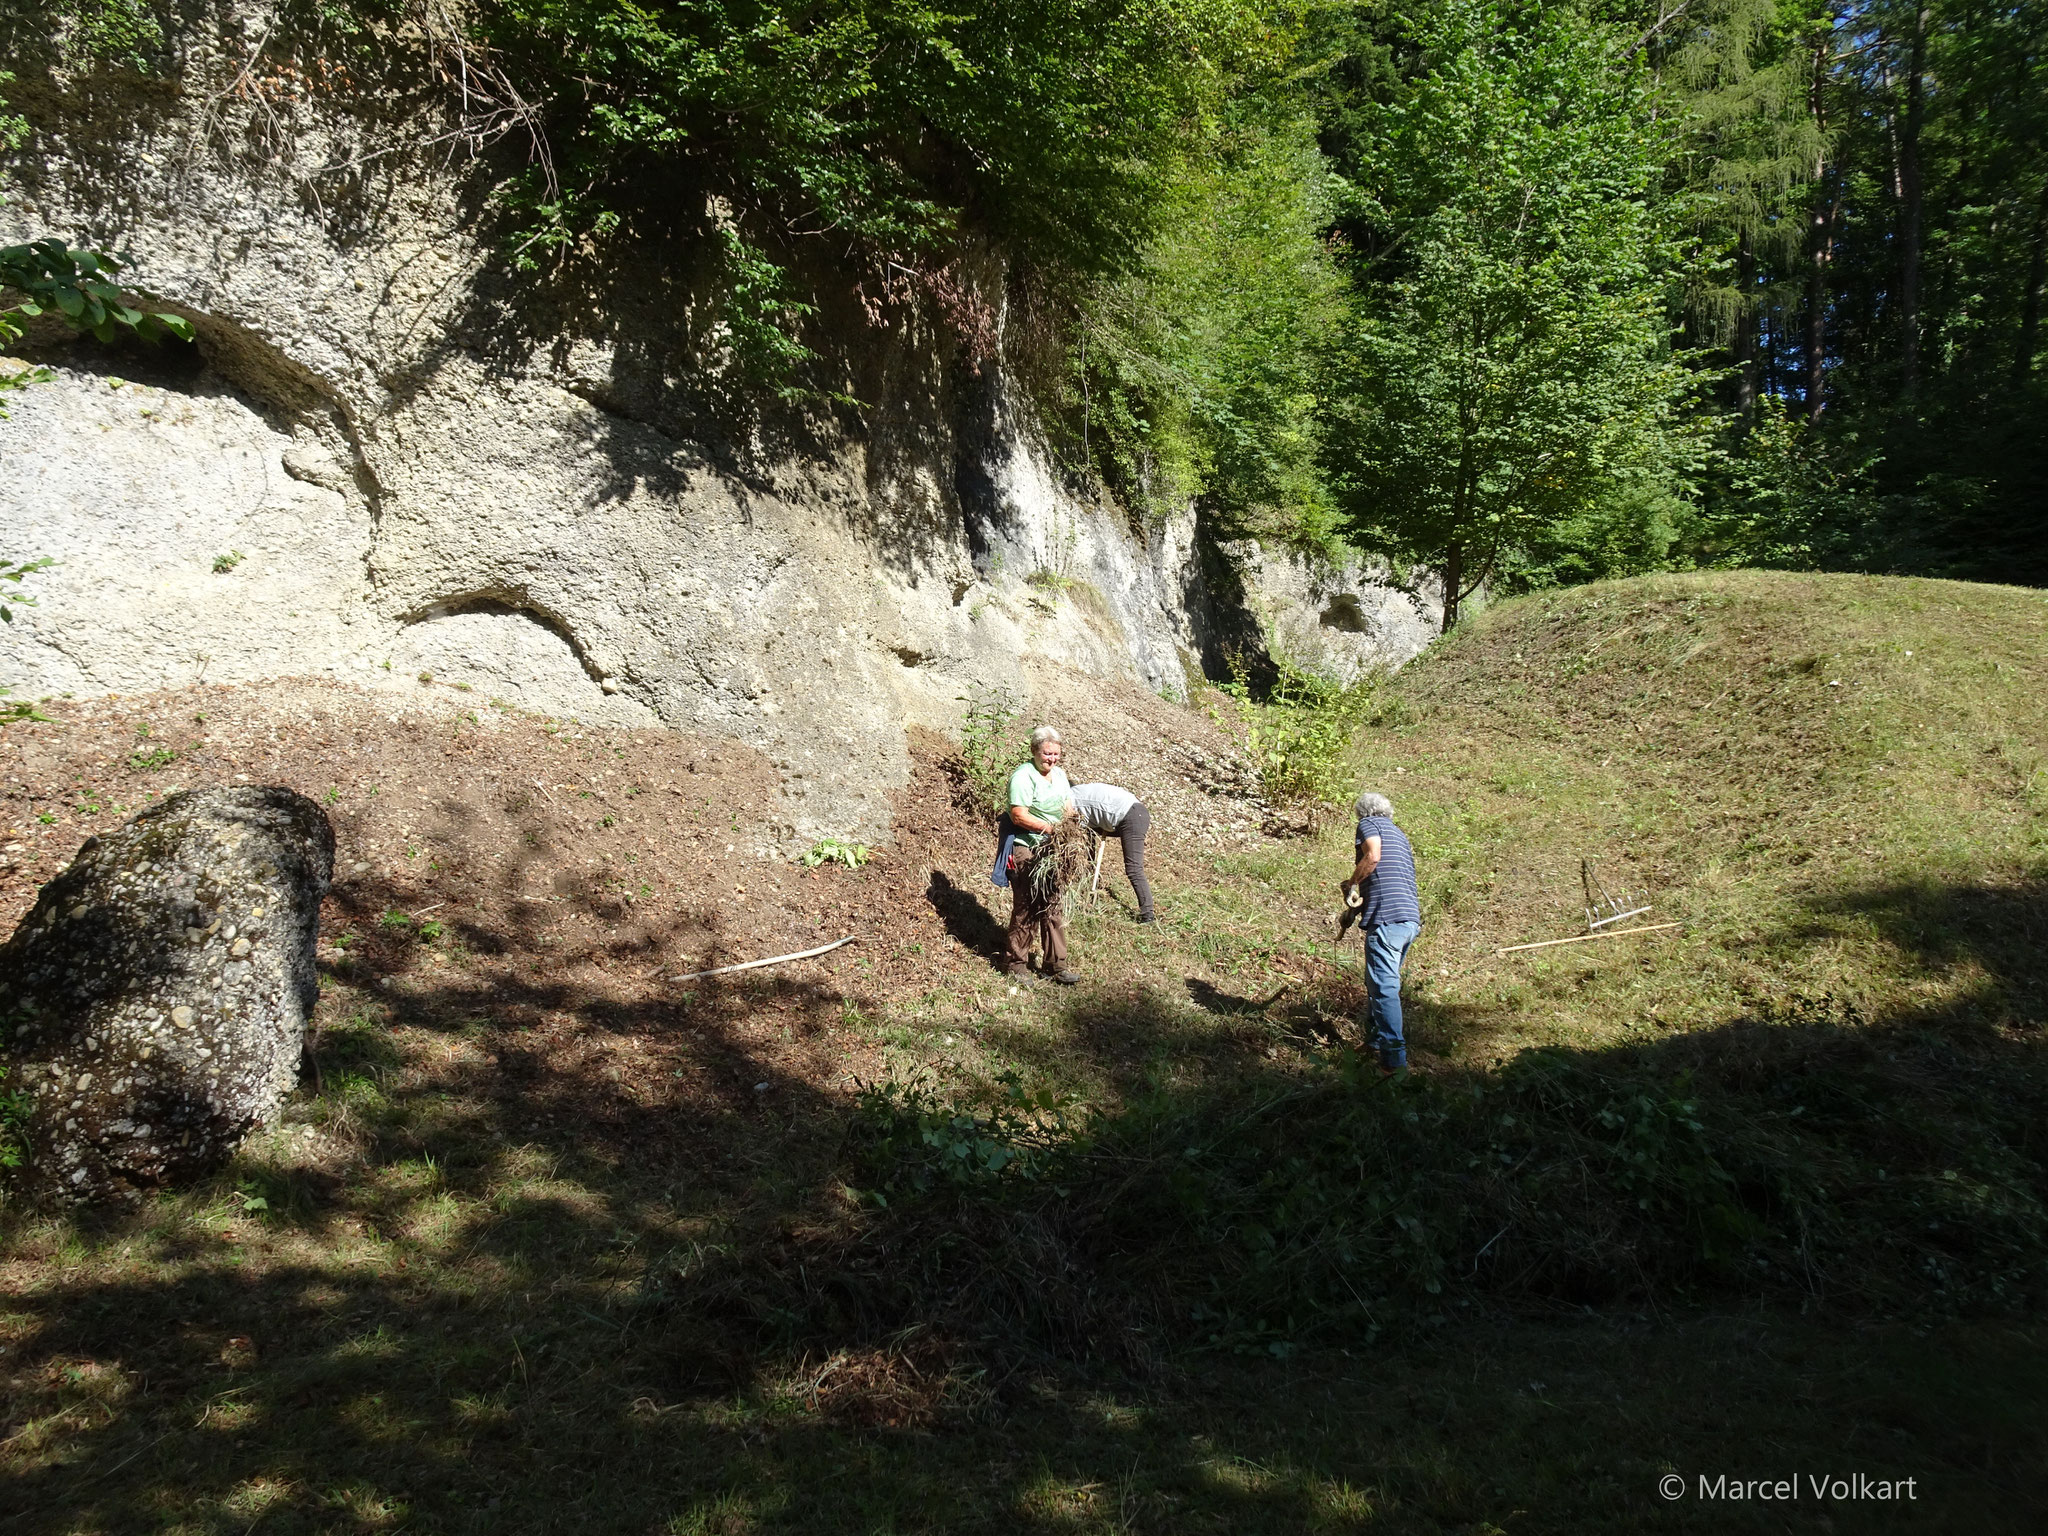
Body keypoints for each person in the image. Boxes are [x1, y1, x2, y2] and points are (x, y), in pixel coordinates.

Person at [1340, 790, 1422, 1074]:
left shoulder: (1369, 824)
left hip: (1387, 920)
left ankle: (1393, 1063)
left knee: (1384, 988)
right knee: (1379, 984)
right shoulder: (1399, 834)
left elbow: (1373, 857)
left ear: (1363, 813)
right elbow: (1385, 875)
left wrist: (1352, 883)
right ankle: (1375, 1043)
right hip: (1408, 919)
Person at [1006, 725, 1080, 984]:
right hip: (1028, 847)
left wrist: (1071, 828)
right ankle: (1017, 964)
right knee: (1026, 905)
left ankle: (1056, 965)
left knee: (1052, 906)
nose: (1051, 759)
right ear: (1034, 751)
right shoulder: (1023, 776)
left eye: (1056, 754)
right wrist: (1049, 828)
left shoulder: (1059, 775)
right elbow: (1018, 815)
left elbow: (1068, 808)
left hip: (1053, 850)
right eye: (1047, 754)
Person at [1071, 780, 1155, 922]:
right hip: (1131, 812)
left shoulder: (1071, 799)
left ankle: (1148, 915)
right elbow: (1085, 832)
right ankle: (1091, 883)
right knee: (1086, 832)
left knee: (1134, 869)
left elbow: (1079, 828)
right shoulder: (1079, 792)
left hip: (1131, 817)